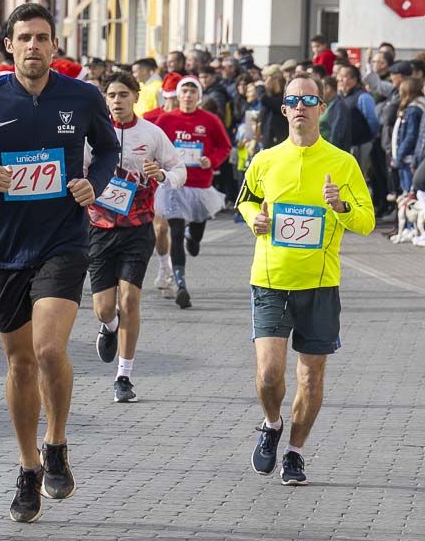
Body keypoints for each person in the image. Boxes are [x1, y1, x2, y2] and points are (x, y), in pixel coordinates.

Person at [0, 2, 119, 524]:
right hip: (4, 252)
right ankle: (28, 465)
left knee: (47, 347)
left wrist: (94, 184)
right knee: (19, 363)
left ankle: (57, 443)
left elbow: (107, 153)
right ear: (9, 47)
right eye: (25, 38)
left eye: (42, 37)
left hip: (63, 242)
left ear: (55, 46)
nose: (34, 46)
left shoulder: (81, 97)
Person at [237, 75, 374, 485]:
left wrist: (342, 204)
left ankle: (294, 452)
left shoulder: (342, 163)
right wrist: (254, 219)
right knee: (269, 374)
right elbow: (246, 200)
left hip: (319, 283)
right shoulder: (264, 160)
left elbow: (366, 222)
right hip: (270, 278)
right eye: (293, 100)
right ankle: (271, 423)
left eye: (308, 99)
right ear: (284, 110)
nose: (300, 106)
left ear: (321, 107)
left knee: (311, 376)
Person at [87, 71, 186, 403]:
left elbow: (179, 169)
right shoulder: (92, 134)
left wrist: (163, 175)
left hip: (137, 227)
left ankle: (124, 376)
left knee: (129, 300)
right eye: (112, 95)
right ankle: (109, 325)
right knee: (103, 308)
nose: (117, 101)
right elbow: (76, 169)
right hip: (98, 228)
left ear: (135, 97)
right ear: (105, 99)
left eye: (123, 95)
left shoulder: (152, 134)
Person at [146, 75, 231, 309]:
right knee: (173, 228)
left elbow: (224, 146)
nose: (188, 96)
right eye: (184, 92)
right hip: (173, 184)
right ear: (178, 95)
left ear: (199, 97)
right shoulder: (166, 119)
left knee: (195, 234)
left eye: (193, 92)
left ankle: (194, 238)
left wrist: (210, 160)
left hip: (200, 185)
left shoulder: (210, 120)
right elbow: (154, 145)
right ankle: (181, 284)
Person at [391, 78, 425, 194]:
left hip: (408, 158)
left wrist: (400, 155)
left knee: (409, 190)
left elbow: (412, 136)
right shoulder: (414, 107)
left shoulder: (414, 110)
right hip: (408, 157)